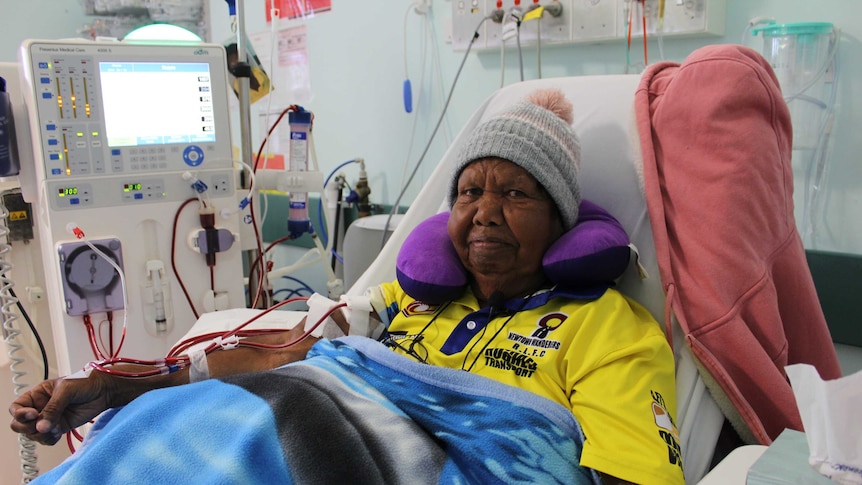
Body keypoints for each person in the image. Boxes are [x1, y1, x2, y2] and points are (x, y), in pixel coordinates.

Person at [10, 89, 683, 485]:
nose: (483, 211)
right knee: (166, 418)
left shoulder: (609, 327)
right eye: (470, 191)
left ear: (561, 218)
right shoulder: (404, 302)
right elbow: (288, 359)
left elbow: (629, 473)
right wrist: (120, 386)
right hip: (295, 421)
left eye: (515, 193)